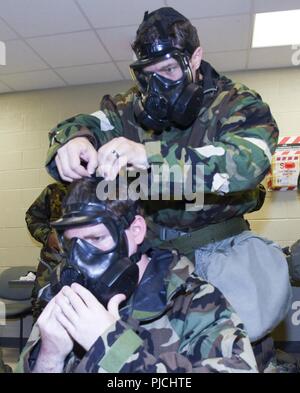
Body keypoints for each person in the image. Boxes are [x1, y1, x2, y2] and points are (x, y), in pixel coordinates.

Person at [43, 7, 291, 369]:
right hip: (154, 260)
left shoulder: (236, 104)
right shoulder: (126, 108)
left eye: (169, 70)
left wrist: (149, 156)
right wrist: (73, 141)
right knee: (143, 356)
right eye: (147, 74)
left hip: (220, 255)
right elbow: (82, 125)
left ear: (195, 58)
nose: (156, 84)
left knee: (240, 354)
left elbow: (246, 164)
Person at [16, 177, 258, 373]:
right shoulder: (69, 299)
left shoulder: (194, 301)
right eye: (73, 243)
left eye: (96, 238)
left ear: (136, 230)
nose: (81, 257)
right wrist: (49, 359)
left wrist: (114, 349)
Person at [25, 182, 68, 321]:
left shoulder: (108, 188)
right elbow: (32, 216)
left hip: (93, 268)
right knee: (42, 314)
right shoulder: (55, 190)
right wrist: (48, 236)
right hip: (54, 264)